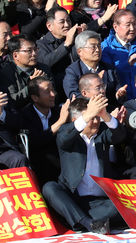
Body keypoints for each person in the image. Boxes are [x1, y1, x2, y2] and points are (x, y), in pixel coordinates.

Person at [41, 95, 127, 234]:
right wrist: (88, 115)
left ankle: (80, 221)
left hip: (99, 202)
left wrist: (105, 115)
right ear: (77, 120)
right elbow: (64, 138)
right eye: (92, 118)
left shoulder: (102, 135)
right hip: (72, 199)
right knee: (49, 188)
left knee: (124, 205)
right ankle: (88, 223)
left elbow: (120, 136)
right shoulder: (67, 133)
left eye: (97, 118)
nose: (96, 122)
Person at [21, 76, 70, 184]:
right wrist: (60, 122)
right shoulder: (25, 115)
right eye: (47, 92)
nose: (53, 94)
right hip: (40, 163)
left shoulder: (57, 111)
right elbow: (35, 142)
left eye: (53, 90)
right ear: (35, 98)